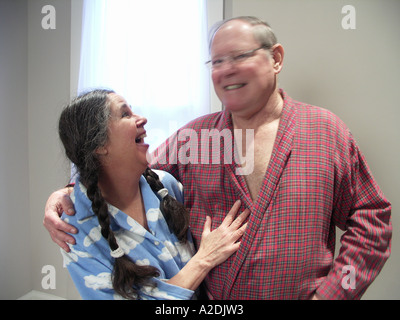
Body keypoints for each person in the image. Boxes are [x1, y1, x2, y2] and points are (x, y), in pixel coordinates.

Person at [44, 16, 392, 299]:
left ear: (276, 58)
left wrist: (333, 295)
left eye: (240, 56)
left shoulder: (324, 131)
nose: (226, 69)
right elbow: (123, 174)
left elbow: (371, 221)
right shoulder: (195, 138)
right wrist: (65, 193)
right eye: (217, 61)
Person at [54, 89, 249, 300]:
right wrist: (204, 259)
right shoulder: (75, 227)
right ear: (99, 145)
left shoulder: (165, 185)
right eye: (125, 114)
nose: (142, 119)